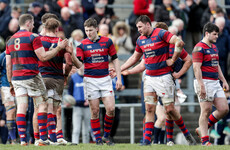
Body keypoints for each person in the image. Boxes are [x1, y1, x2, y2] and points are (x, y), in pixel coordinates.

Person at [118, 15, 196, 145]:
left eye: (140, 27)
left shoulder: (161, 34)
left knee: (170, 110)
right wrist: (121, 68)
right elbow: (136, 58)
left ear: (148, 24)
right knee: (149, 109)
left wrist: (173, 60)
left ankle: (186, 134)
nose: (138, 30)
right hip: (149, 78)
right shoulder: (141, 40)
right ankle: (147, 141)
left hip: (164, 78)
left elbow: (180, 45)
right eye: (137, 27)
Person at [5, 14, 68, 146]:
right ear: (28, 23)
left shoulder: (10, 40)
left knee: (22, 107)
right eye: (33, 23)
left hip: (16, 78)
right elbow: (43, 57)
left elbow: (8, 65)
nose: (34, 26)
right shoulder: (33, 37)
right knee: (43, 105)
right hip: (31, 76)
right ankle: (43, 139)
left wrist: (10, 82)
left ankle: (22, 140)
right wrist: (58, 48)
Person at [70, 18, 122, 146]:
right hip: (90, 80)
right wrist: (71, 54)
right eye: (86, 30)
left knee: (111, 109)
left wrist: (119, 78)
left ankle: (106, 136)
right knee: (94, 111)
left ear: (97, 29)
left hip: (105, 78)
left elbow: (115, 60)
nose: (88, 33)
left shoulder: (107, 42)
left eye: (91, 30)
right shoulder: (82, 45)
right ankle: (98, 140)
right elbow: (79, 64)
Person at [193, 22, 229, 146]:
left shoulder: (214, 47)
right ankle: (205, 141)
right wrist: (201, 84)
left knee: (224, 109)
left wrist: (224, 80)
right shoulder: (199, 47)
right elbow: (196, 68)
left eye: (217, 34)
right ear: (207, 33)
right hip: (205, 82)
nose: (216, 37)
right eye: (214, 34)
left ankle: (203, 128)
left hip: (215, 82)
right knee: (206, 110)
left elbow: (216, 65)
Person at [38, 17, 72, 145]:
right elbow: (69, 63)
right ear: (57, 29)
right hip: (58, 78)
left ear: (45, 28)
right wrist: (66, 75)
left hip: (43, 77)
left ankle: (43, 138)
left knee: (43, 106)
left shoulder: (39, 40)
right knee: (54, 108)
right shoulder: (62, 42)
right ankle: (53, 138)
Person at [69, 66, 91, 145]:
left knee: (86, 129)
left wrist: (89, 100)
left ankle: (86, 144)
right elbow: (70, 92)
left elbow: (92, 90)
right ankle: (75, 143)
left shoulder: (88, 77)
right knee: (76, 128)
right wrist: (69, 101)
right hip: (77, 106)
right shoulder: (74, 77)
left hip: (87, 106)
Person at [0, 50, 17, 144]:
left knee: (18, 112)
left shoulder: (19, 54)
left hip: (19, 85)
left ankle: (12, 138)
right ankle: (13, 140)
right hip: (6, 86)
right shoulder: (2, 57)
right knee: (10, 111)